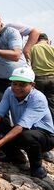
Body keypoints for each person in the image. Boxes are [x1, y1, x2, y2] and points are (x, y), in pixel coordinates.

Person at [0, 67, 54, 179]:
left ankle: (36, 167)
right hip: (22, 131)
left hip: (44, 137)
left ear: (32, 85)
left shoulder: (38, 98)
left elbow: (21, 126)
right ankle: (16, 157)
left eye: (22, 85)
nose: (17, 88)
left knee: (28, 136)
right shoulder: (9, 91)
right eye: (14, 84)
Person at [30, 33, 54, 163]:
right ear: (47, 40)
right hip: (52, 78)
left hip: (38, 78)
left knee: (39, 107)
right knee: (52, 107)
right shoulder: (51, 48)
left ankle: (41, 131)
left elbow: (30, 63)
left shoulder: (33, 48)